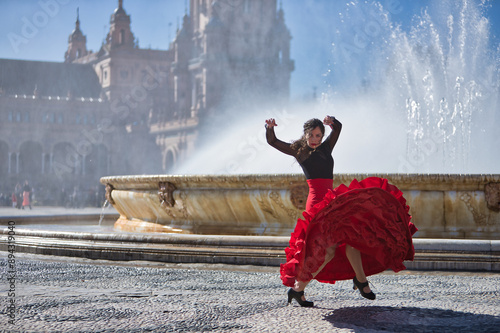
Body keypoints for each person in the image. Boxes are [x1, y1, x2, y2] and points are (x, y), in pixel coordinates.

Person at [265, 116, 417, 307]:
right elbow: (272, 141)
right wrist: (269, 128)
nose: (314, 139)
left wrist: (332, 122)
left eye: (318, 135)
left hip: (332, 202)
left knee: (352, 238)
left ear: (322, 136)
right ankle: (298, 289)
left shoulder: (326, 147)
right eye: (311, 135)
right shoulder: (299, 151)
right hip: (316, 204)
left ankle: (360, 281)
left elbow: (338, 128)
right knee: (326, 251)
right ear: (305, 135)